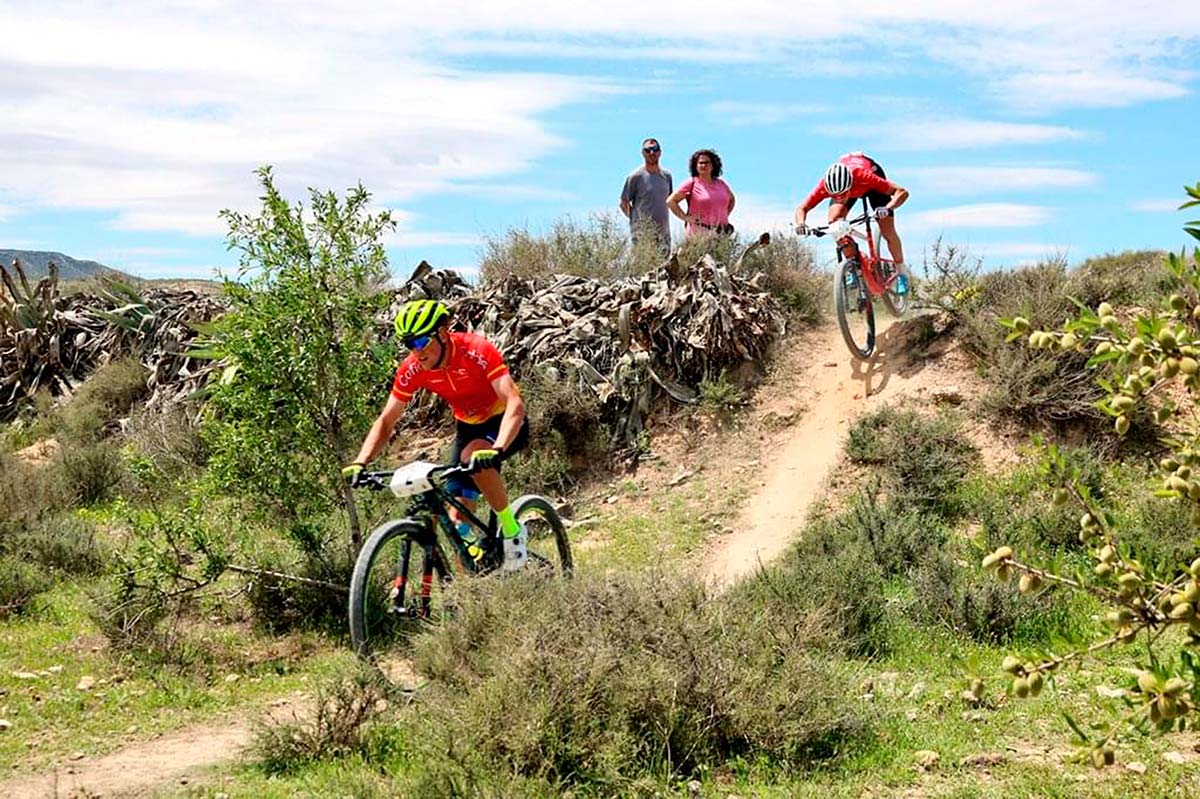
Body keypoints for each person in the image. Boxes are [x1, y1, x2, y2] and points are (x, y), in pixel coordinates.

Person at [341, 299, 530, 570]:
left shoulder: (476, 350)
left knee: (473, 455)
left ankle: (512, 531)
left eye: (420, 342)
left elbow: (514, 402)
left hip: (504, 423)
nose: (416, 351)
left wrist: (497, 448)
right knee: (458, 526)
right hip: (468, 428)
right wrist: (361, 461)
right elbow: (387, 420)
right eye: (409, 344)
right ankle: (478, 585)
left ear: (442, 334)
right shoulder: (413, 368)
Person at [794, 152, 911, 293]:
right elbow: (802, 208)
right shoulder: (825, 185)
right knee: (834, 222)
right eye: (835, 196)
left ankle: (901, 273)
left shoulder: (863, 176)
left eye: (843, 194)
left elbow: (902, 192)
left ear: (850, 184)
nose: (840, 198)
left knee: (887, 230)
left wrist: (887, 208)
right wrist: (801, 224)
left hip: (871, 186)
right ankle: (852, 264)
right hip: (848, 184)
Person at [619, 137, 673, 254]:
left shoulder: (667, 176)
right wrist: (636, 220)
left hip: (663, 233)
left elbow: (669, 200)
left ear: (660, 152)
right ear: (643, 153)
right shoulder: (635, 177)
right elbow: (624, 203)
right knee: (643, 267)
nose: (652, 153)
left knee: (663, 269)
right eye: (648, 150)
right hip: (643, 234)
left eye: (655, 149)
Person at [666, 149, 736, 237]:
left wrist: (723, 216)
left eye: (707, 163)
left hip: (721, 234)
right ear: (695, 166)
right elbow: (671, 201)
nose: (703, 165)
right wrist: (685, 217)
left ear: (713, 165)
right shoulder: (692, 182)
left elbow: (732, 200)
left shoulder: (721, 184)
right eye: (700, 163)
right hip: (699, 234)